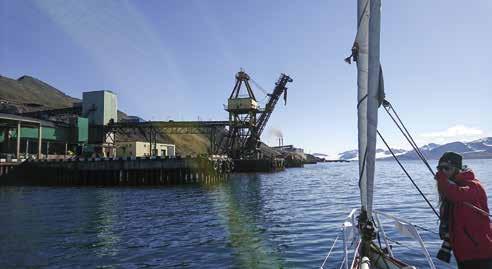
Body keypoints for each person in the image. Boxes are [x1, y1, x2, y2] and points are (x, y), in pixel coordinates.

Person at [435, 152, 492, 269]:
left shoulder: (473, 185)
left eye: (446, 168)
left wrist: (442, 181)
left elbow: (457, 195)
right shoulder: (451, 186)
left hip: (479, 251)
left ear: (457, 169)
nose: (442, 172)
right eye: (439, 168)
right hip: (462, 252)